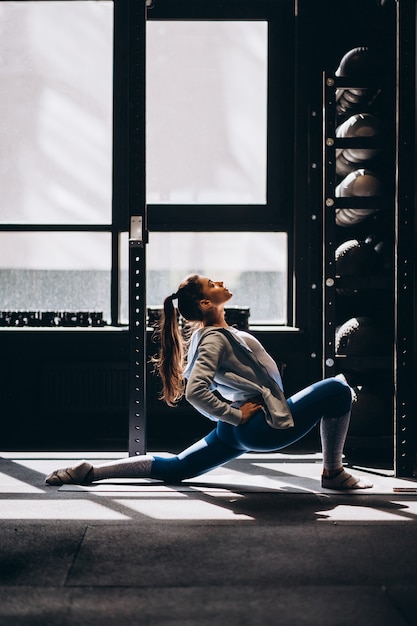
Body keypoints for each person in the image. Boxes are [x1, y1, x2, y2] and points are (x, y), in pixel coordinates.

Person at [45, 274, 372, 490]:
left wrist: (230, 417)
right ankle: (333, 472)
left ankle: (93, 471)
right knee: (339, 388)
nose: (220, 282)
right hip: (259, 427)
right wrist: (236, 414)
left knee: (177, 467)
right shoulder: (214, 339)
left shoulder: (211, 337)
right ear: (205, 303)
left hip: (235, 433)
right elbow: (196, 391)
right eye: (211, 284)